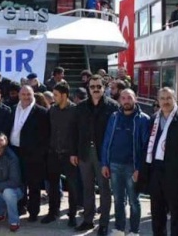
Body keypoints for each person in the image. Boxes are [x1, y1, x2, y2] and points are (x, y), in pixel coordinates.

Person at [141, 87, 178, 236]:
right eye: (162, 98)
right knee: (157, 212)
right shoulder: (153, 119)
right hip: (155, 173)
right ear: (158, 100)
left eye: (168, 98)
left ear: (175, 99)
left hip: (175, 174)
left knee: (176, 213)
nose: (165, 101)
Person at [100, 89, 150, 236]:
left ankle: (134, 231)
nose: (126, 100)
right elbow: (107, 140)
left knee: (134, 201)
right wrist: (105, 163)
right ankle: (119, 229)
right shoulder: (114, 117)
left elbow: (145, 146)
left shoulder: (143, 119)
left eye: (129, 97)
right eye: (123, 98)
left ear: (135, 99)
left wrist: (139, 168)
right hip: (114, 165)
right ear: (120, 100)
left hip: (132, 167)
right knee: (118, 200)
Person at [74, 75, 119, 235]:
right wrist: (74, 152)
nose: (95, 89)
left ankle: (104, 223)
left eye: (98, 86)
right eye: (92, 86)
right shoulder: (80, 107)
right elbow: (74, 131)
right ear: (88, 88)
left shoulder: (113, 106)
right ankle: (87, 220)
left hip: (104, 154)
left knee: (104, 189)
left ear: (103, 87)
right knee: (87, 188)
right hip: (85, 152)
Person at [9, 86, 49, 221]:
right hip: (14, 150)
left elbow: (45, 136)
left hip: (33, 154)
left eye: (29, 94)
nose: (26, 97)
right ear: (19, 95)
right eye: (23, 94)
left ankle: (33, 212)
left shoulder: (42, 112)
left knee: (34, 184)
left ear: (33, 95)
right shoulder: (13, 109)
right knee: (18, 182)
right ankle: (21, 206)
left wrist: (39, 154)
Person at [42, 82, 79, 227]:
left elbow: (78, 134)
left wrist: (75, 153)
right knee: (52, 184)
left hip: (70, 155)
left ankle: (72, 215)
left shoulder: (75, 111)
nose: (53, 97)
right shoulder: (52, 110)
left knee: (72, 186)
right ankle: (53, 212)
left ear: (64, 95)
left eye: (56, 95)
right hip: (53, 153)